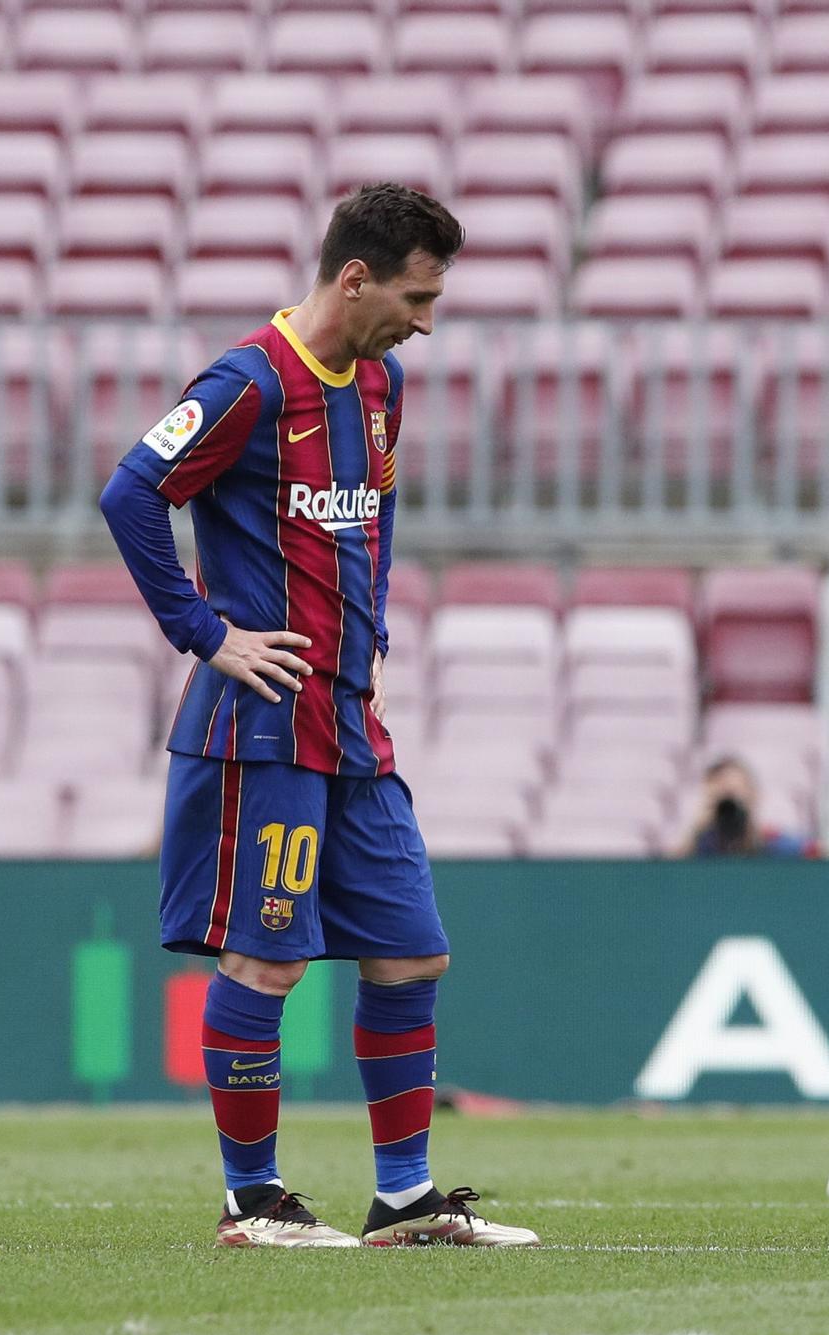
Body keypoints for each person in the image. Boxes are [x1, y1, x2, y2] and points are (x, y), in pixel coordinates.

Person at [98, 184, 537, 1249]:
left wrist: (370, 629)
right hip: (267, 724)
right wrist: (205, 633)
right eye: (416, 297)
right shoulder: (247, 382)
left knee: (411, 952)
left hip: (350, 722)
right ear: (354, 278)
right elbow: (131, 491)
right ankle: (251, 1201)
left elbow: (374, 512)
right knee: (268, 962)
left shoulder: (380, 383)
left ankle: (405, 1200)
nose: (425, 322)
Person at [679, 756, 814, 858]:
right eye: (719, 797)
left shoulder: (776, 843)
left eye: (732, 792)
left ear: (754, 795)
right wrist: (696, 830)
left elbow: (816, 858)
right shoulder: (701, 846)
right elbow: (673, 875)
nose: (728, 806)